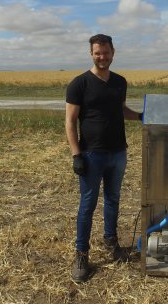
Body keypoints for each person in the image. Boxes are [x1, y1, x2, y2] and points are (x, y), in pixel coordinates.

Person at [65, 34, 142, 282]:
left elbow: (121, 110)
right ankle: (81, 254)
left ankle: (111, 241)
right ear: (91, 53)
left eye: (106, 52)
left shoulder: (120, 82)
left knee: (113, 200)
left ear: (113, 52)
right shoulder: (80, 84)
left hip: (118, 152)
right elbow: (70, 121)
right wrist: (76, 154)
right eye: (97, 52)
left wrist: (142, 116)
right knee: (87, 205)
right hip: (92, 154)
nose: (102, 57)